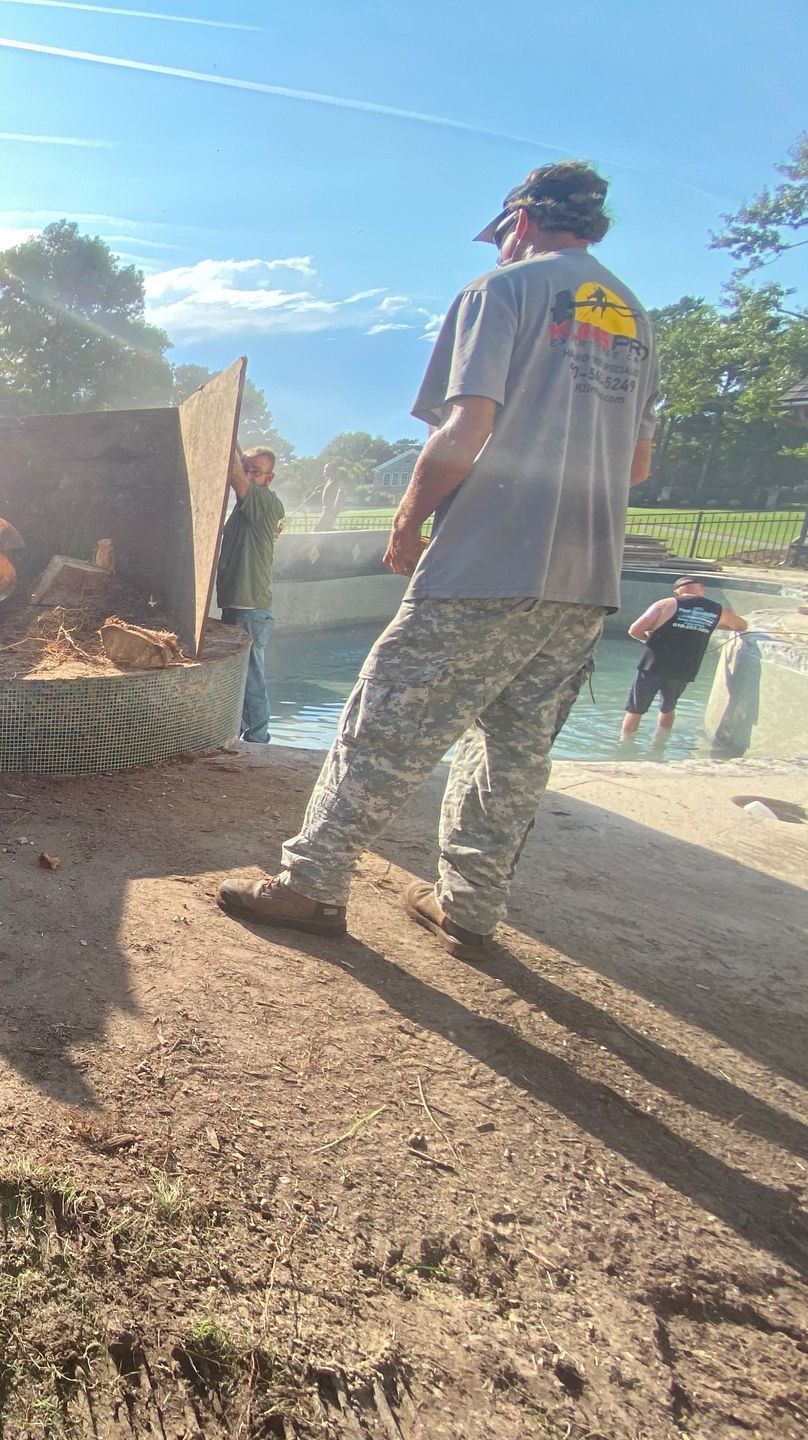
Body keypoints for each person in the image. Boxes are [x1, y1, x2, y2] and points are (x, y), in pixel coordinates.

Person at [217, 160, 659, 961]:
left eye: (503, 235)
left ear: (520, 222)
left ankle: (312, 886)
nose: (500, 248)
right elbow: (636, 468)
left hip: (488, 562)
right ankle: (470, 907)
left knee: (379, 726)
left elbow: (464, 430)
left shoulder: (503, 293)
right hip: (587, 580)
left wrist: (409, 524)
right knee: (513, 750)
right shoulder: (635, 319)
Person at [620, 575, 745, 743]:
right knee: (668, 708)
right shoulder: (717, 610)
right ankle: (660, 744)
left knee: (635, 710)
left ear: (677, 592)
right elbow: (741, 626)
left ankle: (625, 745)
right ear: (701, 589)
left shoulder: (666, 604)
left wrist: (648, 638)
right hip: (685, 668)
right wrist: (708, 624)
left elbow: (634, 630)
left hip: (654, 664)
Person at [216, 445, 284, 744]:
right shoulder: (246, 507)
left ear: (268, 479)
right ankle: (244, 733)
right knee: (243, 676)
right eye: (246, 467)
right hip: (239, 604)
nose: (247, 474)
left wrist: (226, 433)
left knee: (251, 676)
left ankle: (257, 739)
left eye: (255, 471)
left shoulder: (265, 503)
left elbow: (233, 475)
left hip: (250, 607)